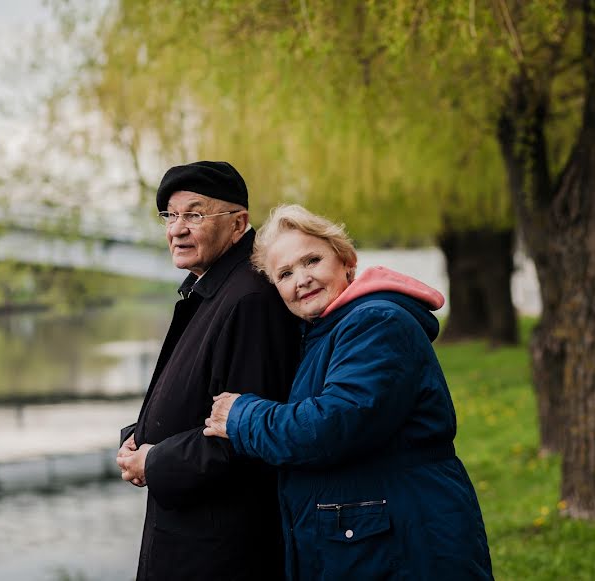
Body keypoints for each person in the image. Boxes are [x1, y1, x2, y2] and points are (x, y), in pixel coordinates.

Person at [203, 204, 494, 580]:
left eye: (312, 260)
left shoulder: (375, 322)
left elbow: (334, 424)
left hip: (406, 545)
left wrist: (244, 416)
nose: (302, 279)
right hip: (374, 543)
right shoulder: (326, 331)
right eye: (285, 273)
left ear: (346, 260)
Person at [116, 162, 300, 580]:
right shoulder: (212, 289)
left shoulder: (249, 300)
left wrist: (156, 461)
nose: (177, 229)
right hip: (193, 538)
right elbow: (196, 398)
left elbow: (247, 436)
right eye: (171, 215)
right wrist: (138, 436)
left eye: (194, 215)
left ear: (238, 225)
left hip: (222, 551)